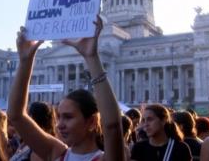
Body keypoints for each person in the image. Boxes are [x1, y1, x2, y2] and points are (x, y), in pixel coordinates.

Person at [7, 16, 125, 161]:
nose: (60, 125)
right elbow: (16, 116)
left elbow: (112, 126)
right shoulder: (57, 153)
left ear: (92, 122)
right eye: (59, 116)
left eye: (68, 117)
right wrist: (25, 61)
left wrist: (92, 57)